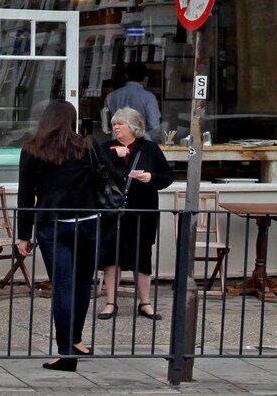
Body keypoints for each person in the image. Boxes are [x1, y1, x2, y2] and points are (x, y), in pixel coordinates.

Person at [15, 100, 99, 369]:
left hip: (53, 224)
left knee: (62, 286)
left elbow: (26, 196)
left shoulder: (32, 149)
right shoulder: (87, 145)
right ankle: (76, 341)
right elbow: (108, 177)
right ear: (72, 120)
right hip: (87, 222)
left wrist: (23, 235)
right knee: (83, 284)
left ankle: (66, 352)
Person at [95, 104, 174, 321]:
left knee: (143, 257)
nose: (115, 128)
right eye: (113, 124)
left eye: (120, 124)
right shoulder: (104, 149)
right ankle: (110, 302)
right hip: (113, 213)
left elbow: (168, 176)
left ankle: (145, 303)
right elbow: (92, 173)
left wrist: (152, 179)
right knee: (112, 257)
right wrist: (112, 156)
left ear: (133, 126)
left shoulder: (149, 149)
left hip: (143, 211)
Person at [104, 64, 162, 144]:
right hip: (142, 144)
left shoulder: (111, 96)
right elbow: (154, 126)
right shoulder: (149, 97)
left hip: (117, 143)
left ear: (126, 75)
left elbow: (106, 126)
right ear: (144, 77)